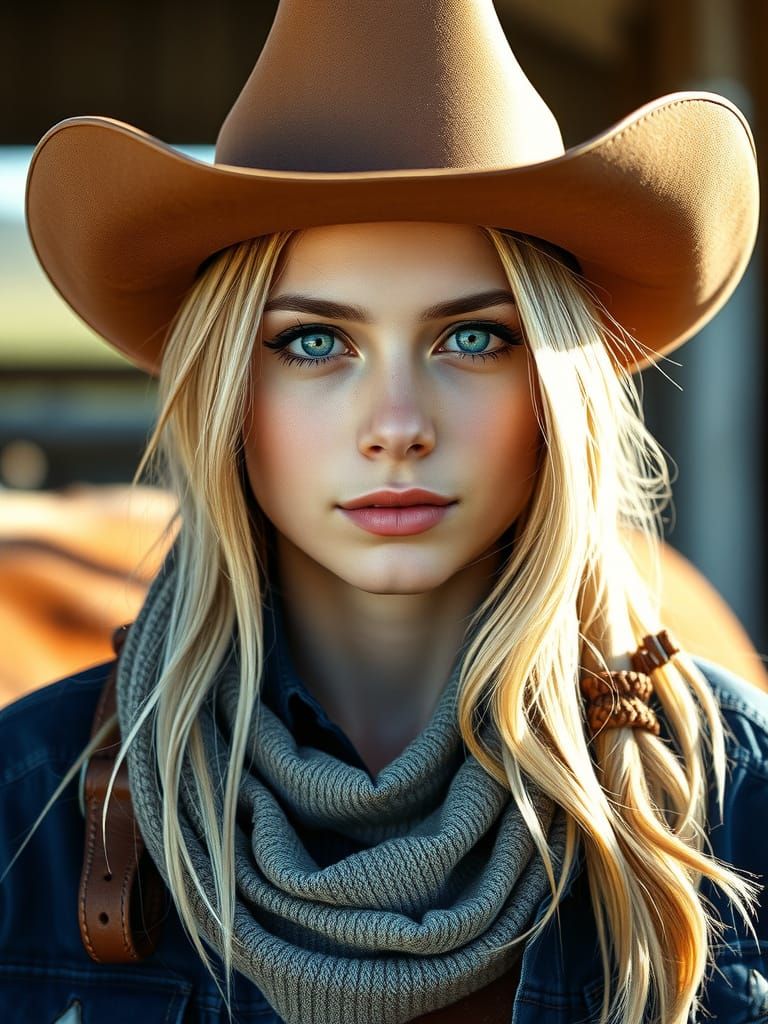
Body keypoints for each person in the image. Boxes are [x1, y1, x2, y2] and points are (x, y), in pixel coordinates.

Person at [2, 3, 767, 1023]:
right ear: (229, 392)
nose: (397, 425)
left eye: (474, 340)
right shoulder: (27, 810)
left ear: (555, 391)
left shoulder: (741, 800)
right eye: (315, 343)